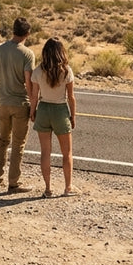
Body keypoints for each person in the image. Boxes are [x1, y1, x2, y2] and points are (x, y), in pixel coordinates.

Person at [0, 18, 36, 193]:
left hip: (4, 103)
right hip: (21, 102)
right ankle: (13, 183)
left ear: (13, 30)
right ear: (27, 34)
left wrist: (0, 91)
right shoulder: (27, 54)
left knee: (2, 141)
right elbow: (29, 83)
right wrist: (34, 104)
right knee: (18, 144)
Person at [28, 38, 76, 197]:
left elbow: (34, 96)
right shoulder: (67, 71)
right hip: (60, 110)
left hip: (43, 110)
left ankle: (48, 189)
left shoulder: (38, 71)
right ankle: (68, 187)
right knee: (67, 153)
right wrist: (73, 115)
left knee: (45, 152)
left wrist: (32, 111)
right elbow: (71, 97)